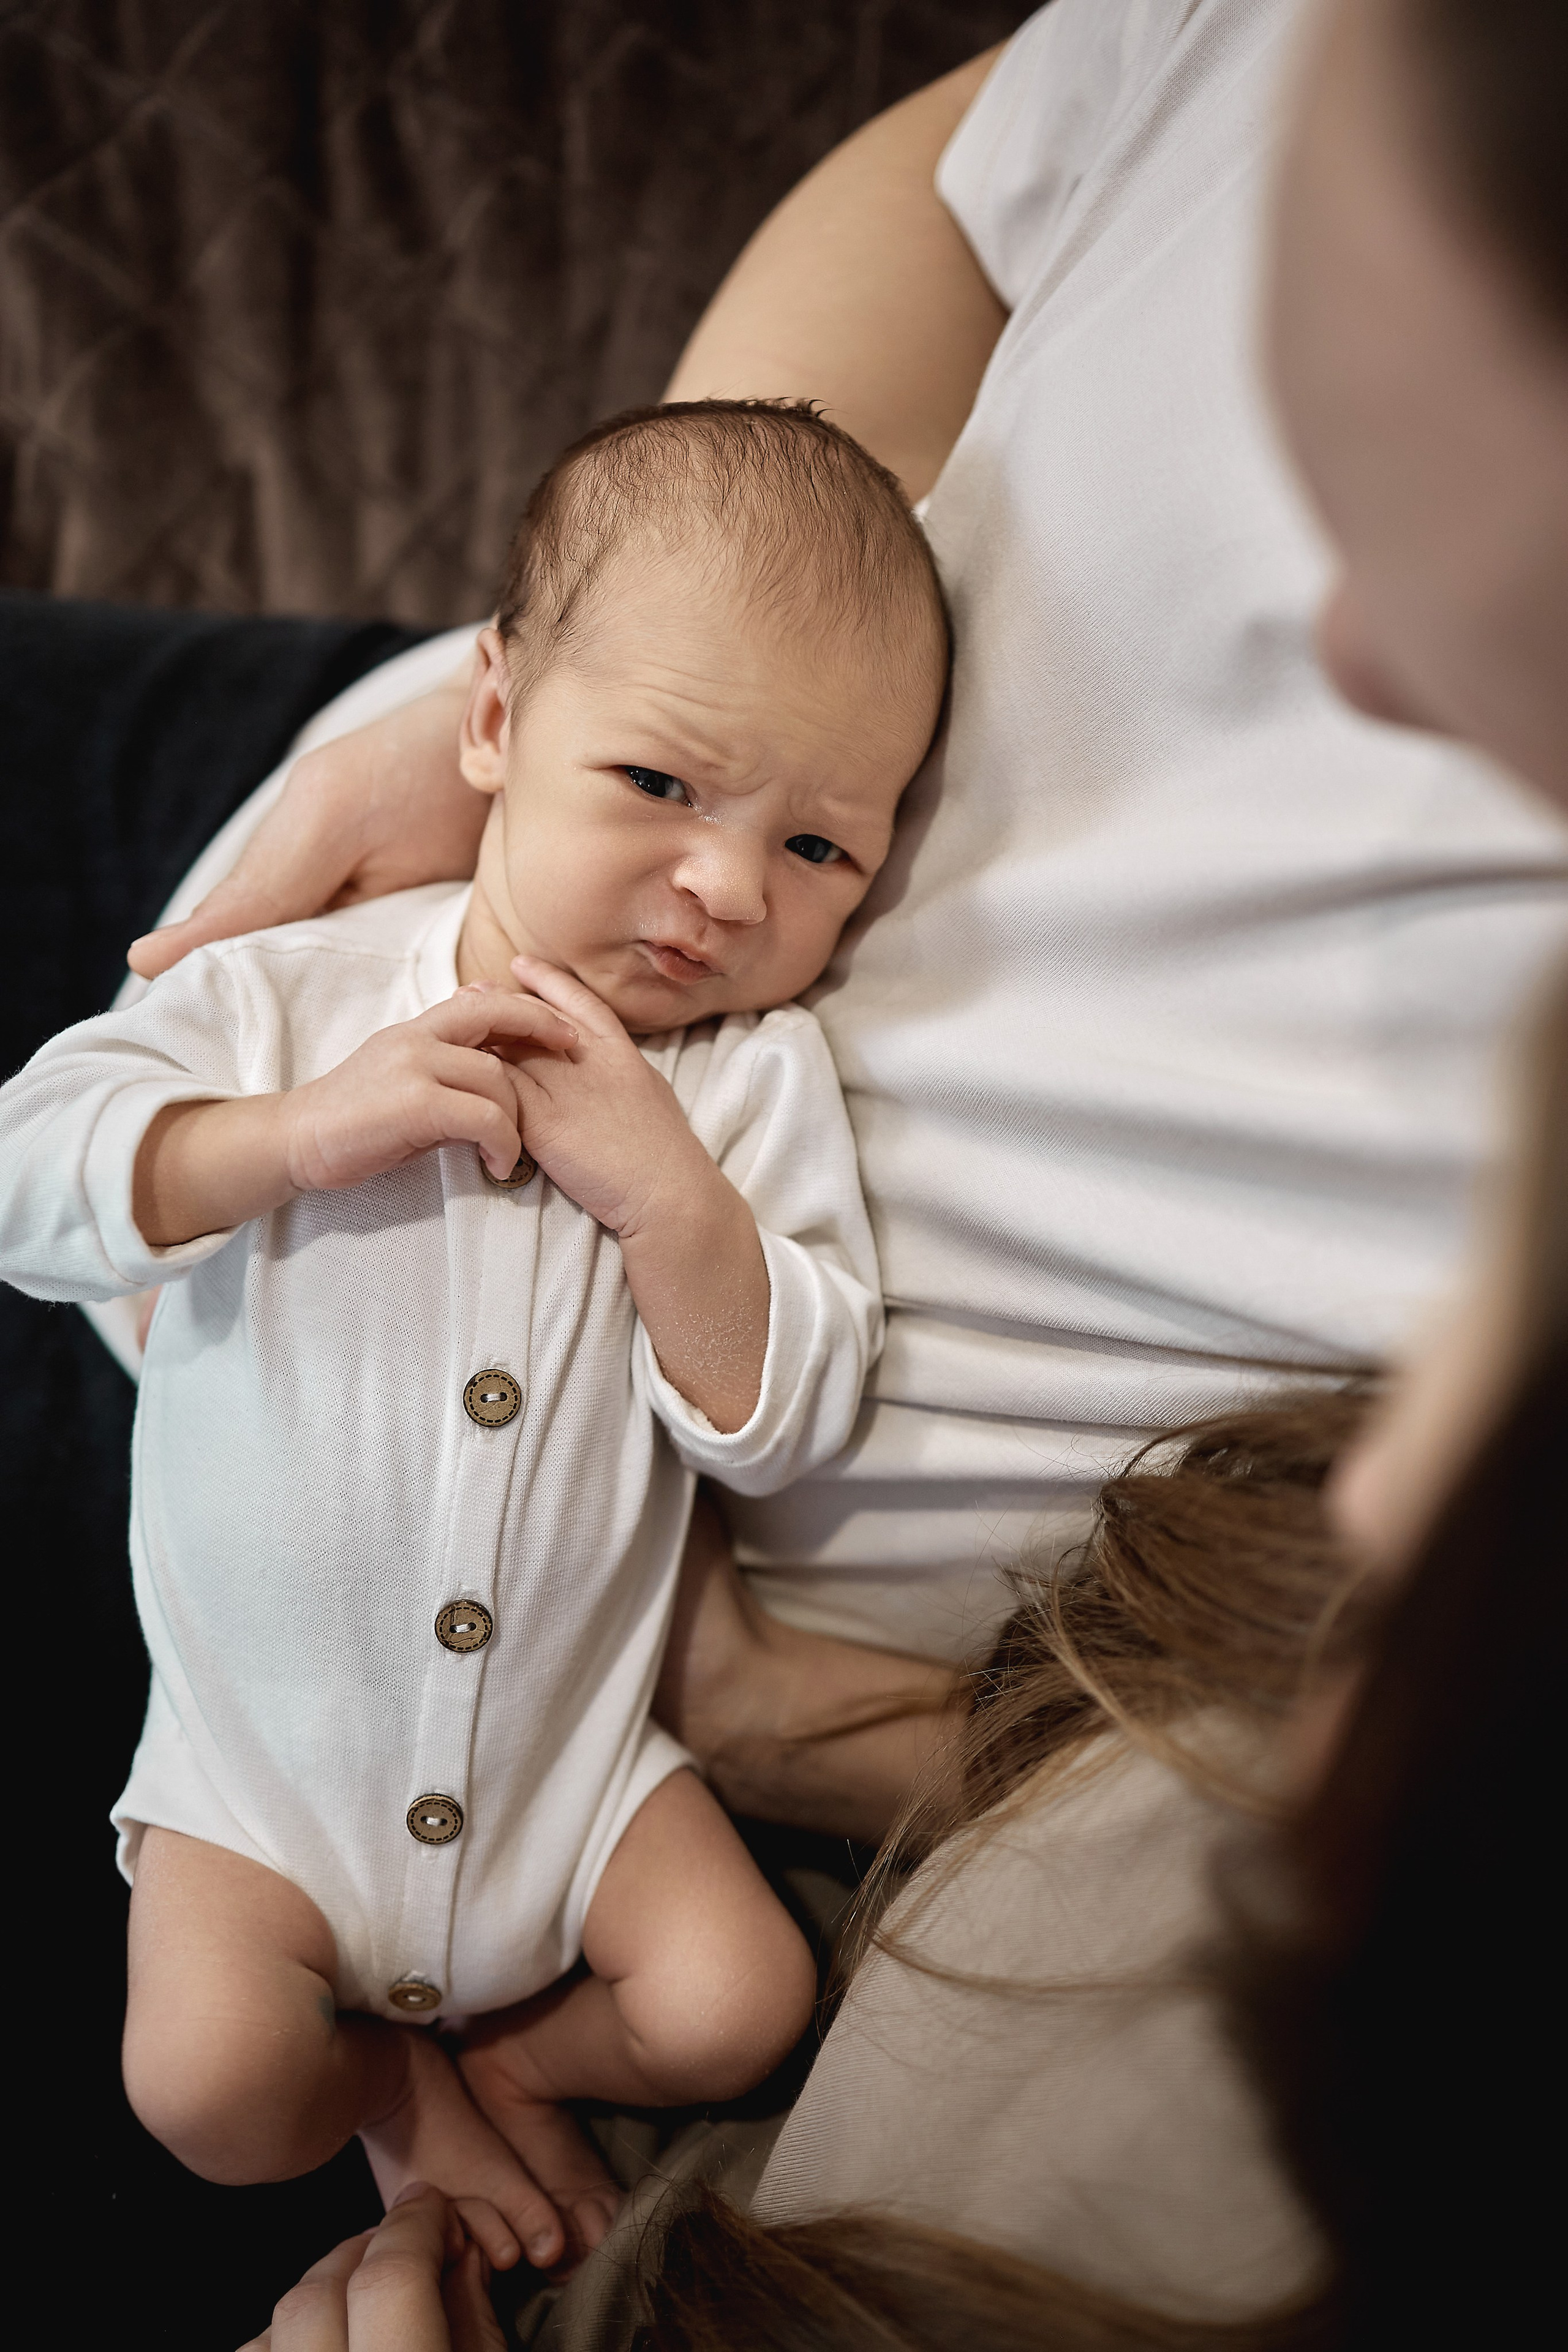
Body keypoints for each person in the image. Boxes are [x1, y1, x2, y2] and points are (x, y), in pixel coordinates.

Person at [0, 402, 948, 2274]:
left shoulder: (756, 1087)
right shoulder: (297, 992)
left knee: (739, 2004)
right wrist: (283, 1139)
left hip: (578, 1773)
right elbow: (30, 1172)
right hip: (259, 1776)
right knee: (205, 2089)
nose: (731, 889)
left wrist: (675, 1202)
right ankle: (379, 2086)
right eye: (665, 787)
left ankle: (518, 2057)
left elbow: (795, 1413)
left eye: (825, 846)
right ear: (492, 722)